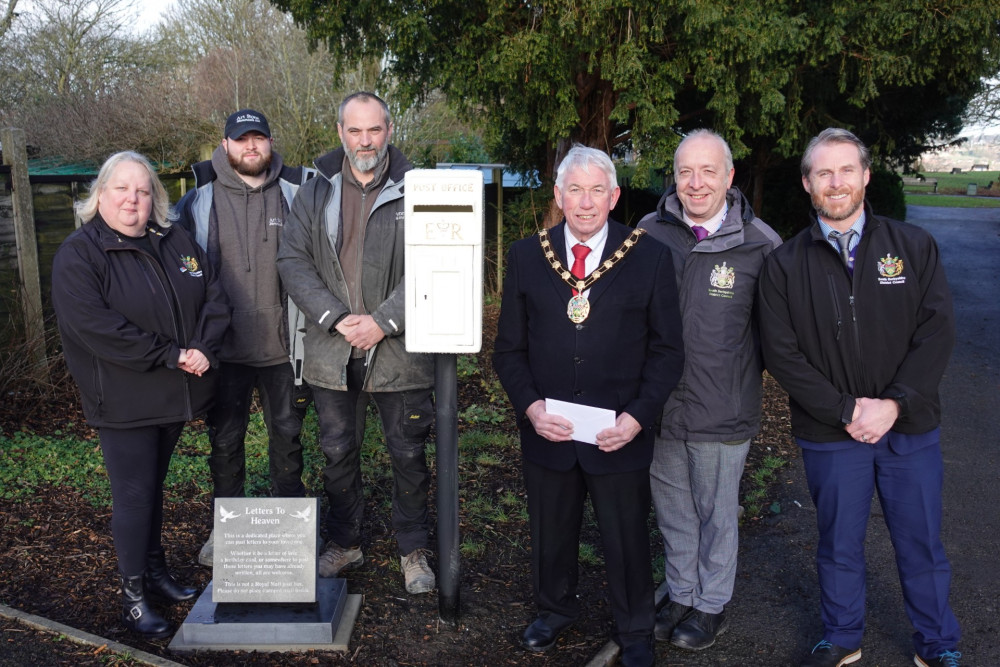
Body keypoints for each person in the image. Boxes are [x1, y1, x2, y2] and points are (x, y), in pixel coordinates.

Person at [758, 128, 962, 667]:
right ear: (807, 184)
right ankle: (843, 637)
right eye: (823, 172)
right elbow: (782, 354)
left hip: (909, 427)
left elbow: (936, 332)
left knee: (920, 544)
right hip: (832, 432)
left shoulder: (912, 247)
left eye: (847, 170)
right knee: (838, 544)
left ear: (866, 176)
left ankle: (937, 643)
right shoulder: (783, 265)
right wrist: (846, 409)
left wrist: (893, 404)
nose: (836, 182)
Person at [492, 145, 685, 667]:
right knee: (550, 533)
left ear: (614, 196)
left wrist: (638, 417)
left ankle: (636, 629)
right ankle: (554, 611)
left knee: (626, 539)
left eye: (596, 189)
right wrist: (532, 409)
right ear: (558, 196)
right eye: (574, 189)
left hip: (618, 431)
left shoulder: (648, 256)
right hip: (548, 429)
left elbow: (668, 352)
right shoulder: (527, 256)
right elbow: (508, 350)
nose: (584, 202)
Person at [51, 151, 230, 637]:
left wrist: (203, 348)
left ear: (155, 198)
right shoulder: (80, 254)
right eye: (121, 189)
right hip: (124, 400)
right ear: (100, 195)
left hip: (175, 395)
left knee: (154, 489)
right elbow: (98, 328)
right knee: (134, 495)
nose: (133, 199)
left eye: (143, 190)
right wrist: (171, 354)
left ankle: (155, 573)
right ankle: (133, 595)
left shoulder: (175, 241)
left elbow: (213, 295)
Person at [276, 92, 437, 594]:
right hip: (333, 346)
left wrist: (384, 321)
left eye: (374, 130)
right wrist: (338, 318)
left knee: (407, 453)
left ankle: (413, 551)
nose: (364, 141)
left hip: (399, 350)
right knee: (337, 449)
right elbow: (291, 261)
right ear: (340, 131)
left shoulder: (419, 189)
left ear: (389, 130)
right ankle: (346, 542)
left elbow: (436, 262)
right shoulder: (314, 191)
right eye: (354, 130)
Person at [637, 129, 782, 651]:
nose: (696, 184)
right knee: (672, 508)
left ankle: (711, 604)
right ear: (674, 176)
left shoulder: (760, 244)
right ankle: (679, 592)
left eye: (708, 172)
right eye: (685, 172)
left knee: (717, 513)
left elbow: (777, 337)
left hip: (722, 409)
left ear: (729, 177)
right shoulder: (649, 231)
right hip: (658, 405)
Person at [175, 109, 314, 567]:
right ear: (226, 144)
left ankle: (292, 533)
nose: (250, 147)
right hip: (223, 350)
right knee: (225, 444)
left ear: (271, 143)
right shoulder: (198, 201)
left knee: (287, 443)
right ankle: (225, 531)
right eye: (241, 139)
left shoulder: (297, 193)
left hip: (283, 348)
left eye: (259, 138)